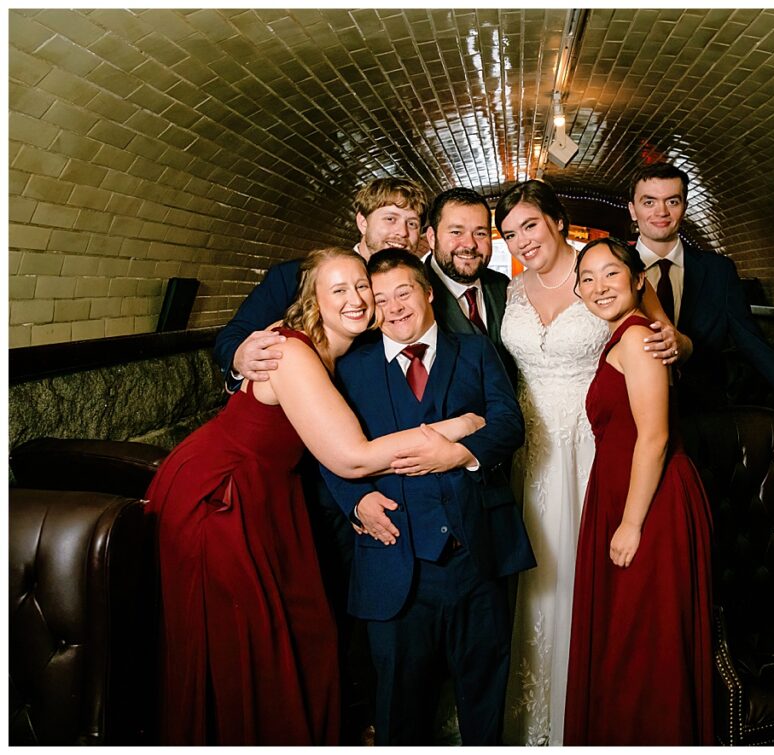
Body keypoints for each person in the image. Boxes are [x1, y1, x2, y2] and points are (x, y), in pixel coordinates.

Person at [145, 247, 485, 745]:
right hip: (221, 496)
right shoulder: (291, 350)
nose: (356, 298)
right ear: (313, 300)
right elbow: (350, 457)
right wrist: (460, 427)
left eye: (361, 287)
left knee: (300, 634)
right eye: (338, 290)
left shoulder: (343, 355)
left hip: (270, 494)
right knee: (242, 644)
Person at [494, 180, 682, 746]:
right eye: (510, 233)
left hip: (589, 447)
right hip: (528, 452)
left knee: (583, 574)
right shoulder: (512, 290)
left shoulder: (603, 271)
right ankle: (532, 713)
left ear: (556, 220)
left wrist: (675, 342)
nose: (522, 240)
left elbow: (662, 337)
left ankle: (584, 705)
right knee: (532, 576)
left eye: (530, 225)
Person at [320, 249, 534, 745]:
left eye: (404, 292)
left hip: (476, 557)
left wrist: (461, 455)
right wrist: (354, 501)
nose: (394, 307)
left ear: (428, 292)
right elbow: (321, 449)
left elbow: (509, 424)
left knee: (484, 699)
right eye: (380, 299)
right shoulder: (351, 367)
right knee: (399, 707)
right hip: (394, 562)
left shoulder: (477, 352)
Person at [563, 237, 714, 745]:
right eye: (588, 278)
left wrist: (630, 524)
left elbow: (654, 437)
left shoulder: (637, 338)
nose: (599, 286)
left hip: (651, 504)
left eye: (611, 274)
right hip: (625, 494)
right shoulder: (625, 335)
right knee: (627, 638)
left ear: (637, 281)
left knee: (644, 641)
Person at [628, 162, 774, 442]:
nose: (661, 212)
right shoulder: (613, 267)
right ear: (632, 209)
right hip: (629, 412)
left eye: (672, 201)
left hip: (703, 419)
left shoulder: (719, 272)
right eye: (649, 201)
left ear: (684, 207)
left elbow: (754, 345)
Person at [213, 175, 429, 391]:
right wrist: (239, 358)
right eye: (390, 219)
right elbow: (233, 336)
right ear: (362, 222)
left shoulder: (419, 290)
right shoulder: (293, 276)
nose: (402, 232)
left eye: (412, 223)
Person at [423, 187, 517, 382]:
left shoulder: (503, 285)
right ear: (432, 238)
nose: (470, 244)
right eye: (456, 232)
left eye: (480, 233)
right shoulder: (412, 294)